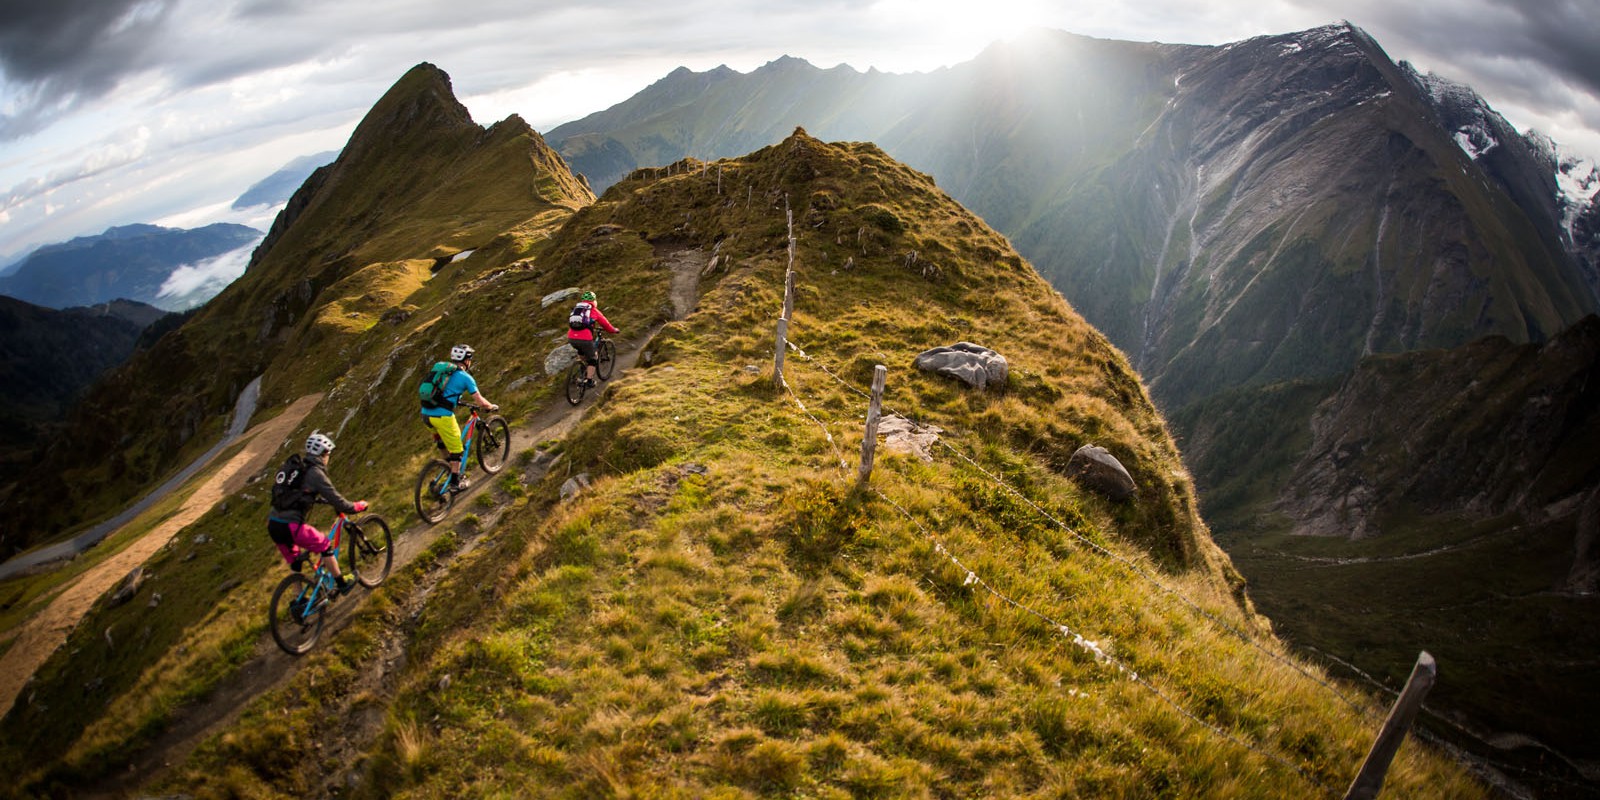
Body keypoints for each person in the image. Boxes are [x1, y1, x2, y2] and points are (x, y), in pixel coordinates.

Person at [267, 432, 367, 594]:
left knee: (295, 563)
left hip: (273, 525)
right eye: (327, 454)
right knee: (325, 545)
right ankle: (342, 583)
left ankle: (299, 602)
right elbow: (339, 501)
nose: (328, 457)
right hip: (291, 526)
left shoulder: (298, 469)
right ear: (323, 454)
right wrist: (357, 506)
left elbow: (296, 493)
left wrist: (314, 499)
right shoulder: (316, 473)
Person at [421, 343, 498, 492]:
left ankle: (448, 467)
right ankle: (455, 482)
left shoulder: (442, 370)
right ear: (467, 360)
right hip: (442, 416)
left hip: (425, 414)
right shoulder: (465, 377)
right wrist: (491, 407)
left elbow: (443, 391)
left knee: (442, 442)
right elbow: (480, 401)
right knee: (458, 450)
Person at [567, 291, 620, 388]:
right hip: (584, 339)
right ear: (594, 301)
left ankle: (582, 369)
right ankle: (589, 381)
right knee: (593, 359)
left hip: (571, 337)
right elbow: (605, 324)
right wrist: (613, 330)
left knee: (582, 352)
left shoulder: (577, 309)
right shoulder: (593, 310)